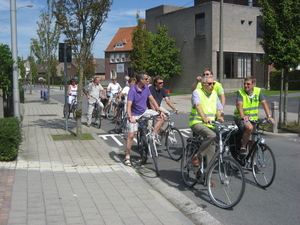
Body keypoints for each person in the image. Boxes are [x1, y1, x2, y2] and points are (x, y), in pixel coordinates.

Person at [125, 72, 166, 166]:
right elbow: (129, 105)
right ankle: (127, 156)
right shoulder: (132, 90)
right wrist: (130, 117)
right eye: (145, 79)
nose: (147, 81)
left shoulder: (146, 88)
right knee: (131, 135)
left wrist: (159, 110)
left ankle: (153, 134)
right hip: (134, 114)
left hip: (144, 111)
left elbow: (152, 99)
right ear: (141, 80)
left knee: (162, 117)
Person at [189, 76, 224, 187]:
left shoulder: (214, 94)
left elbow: (219, 109)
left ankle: (207, 178)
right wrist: (203, 117)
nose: (212, 86)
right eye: (209, 84)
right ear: (203, 84)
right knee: (211, 135)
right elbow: (198, 106)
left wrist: (219, 117)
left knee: (212, 151)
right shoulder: (197, 92)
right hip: (197, 122)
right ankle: (197, 156)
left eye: (213, 83)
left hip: (210, 124)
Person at [234, 76, 275, 155]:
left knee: (253, 142)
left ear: (253, 84)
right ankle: (243, 146)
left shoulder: (258, 91)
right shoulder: (240, 92)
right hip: (240, 117)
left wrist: (269, 116)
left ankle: (253, 163)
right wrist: (243, 116)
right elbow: (239, 105)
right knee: (249, 127)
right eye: (245, 84)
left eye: (248, 84)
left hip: (253, 119)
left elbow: (264, 103)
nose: (246, 86)